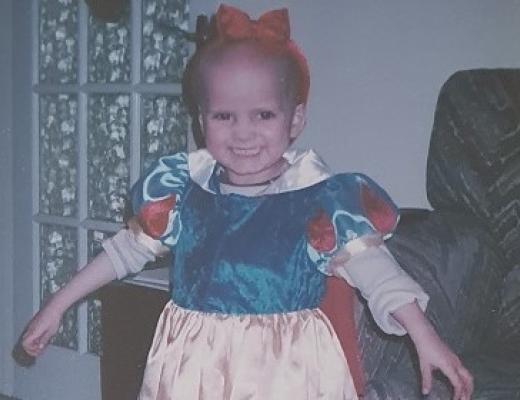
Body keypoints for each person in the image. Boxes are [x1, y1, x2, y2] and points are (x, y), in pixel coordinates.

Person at [22, 4, 473, 400]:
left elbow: (377, 272)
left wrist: (422, 332)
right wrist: (58, 303)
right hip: (191, 368)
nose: (242, 133)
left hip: (289, 371)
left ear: (295, 118)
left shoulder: (319, 201)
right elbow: (123, 252)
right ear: (202, 120)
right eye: (224, 116)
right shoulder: (184, 194)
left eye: (262, 114)